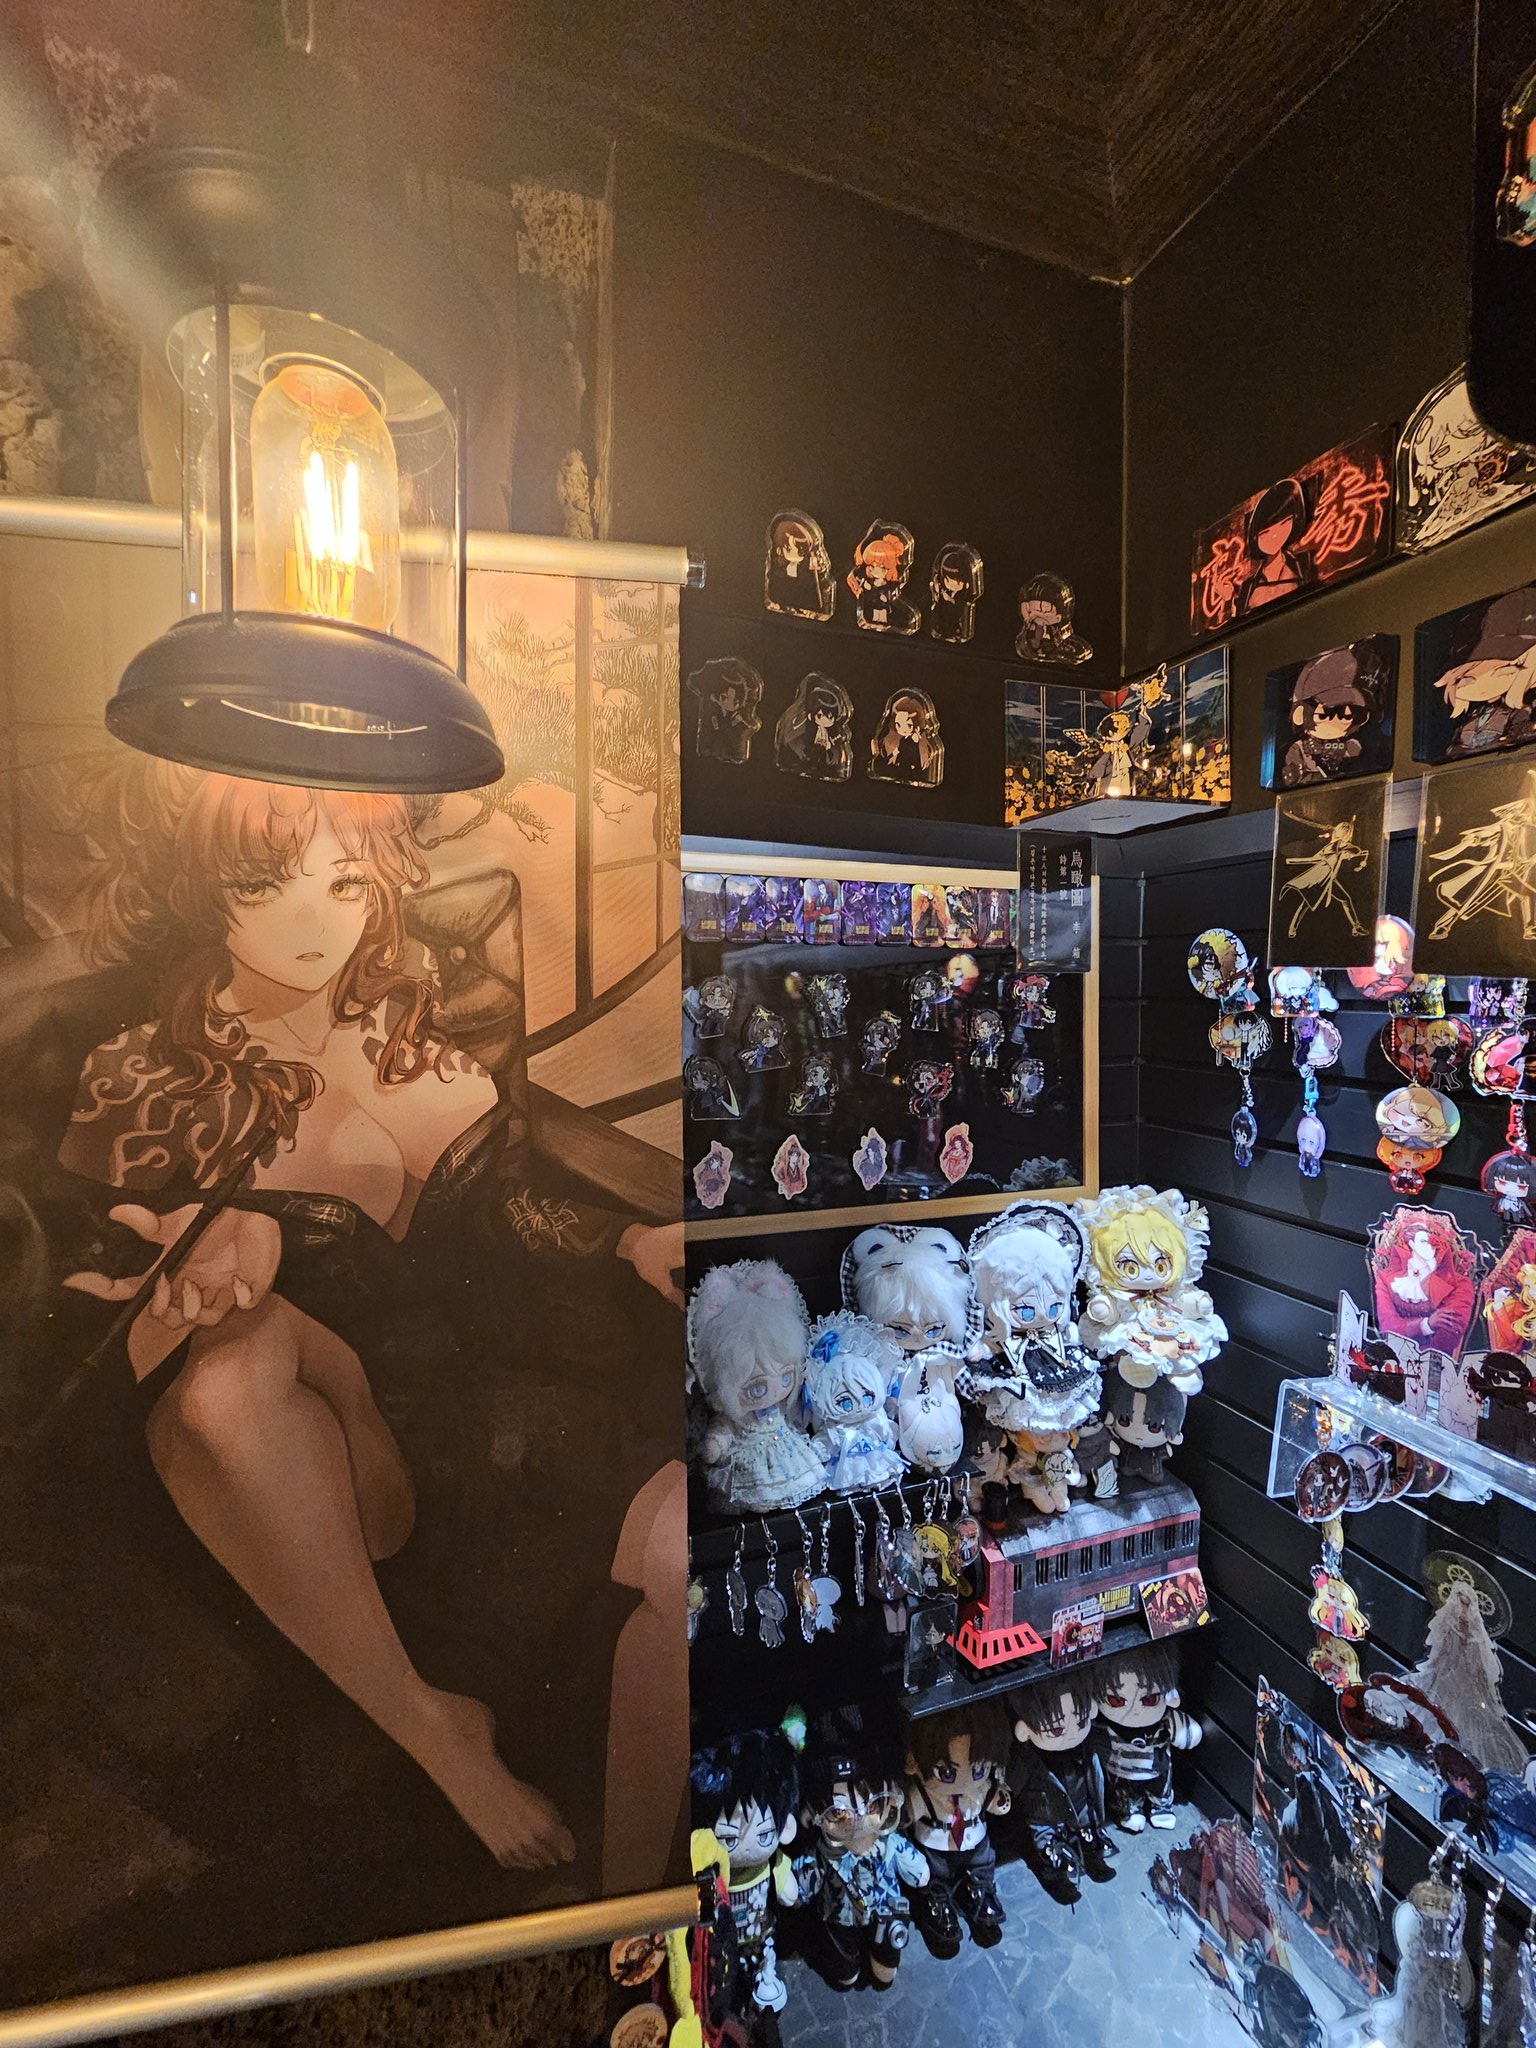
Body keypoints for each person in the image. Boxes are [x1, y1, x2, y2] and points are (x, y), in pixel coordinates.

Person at [57, 757, 684, 1873]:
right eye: (266, 884)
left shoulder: (427, 1010)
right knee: (227, 1367)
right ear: (206, 885)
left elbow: (507, 1204)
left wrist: (628, 1240)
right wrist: (217, 1240)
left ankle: (634, 1912)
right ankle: (432, 1726)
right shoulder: (147, 1075)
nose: (314, 925)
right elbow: (91, 1303)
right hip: (329, 1449)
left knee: (694, 1563)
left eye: (345, 884)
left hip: (505, 1399)